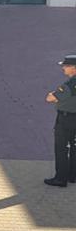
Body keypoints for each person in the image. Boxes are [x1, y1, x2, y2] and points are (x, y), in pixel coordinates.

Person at [44, 55, 76, 187]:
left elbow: (50, 98)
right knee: (75, 147)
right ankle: (73, 175)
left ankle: (60, 178)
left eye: (66, 66)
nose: (63, 68)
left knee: (61, 148)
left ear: (74, 68)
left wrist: (55, 95)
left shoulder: (69, 85)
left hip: (66, 119)